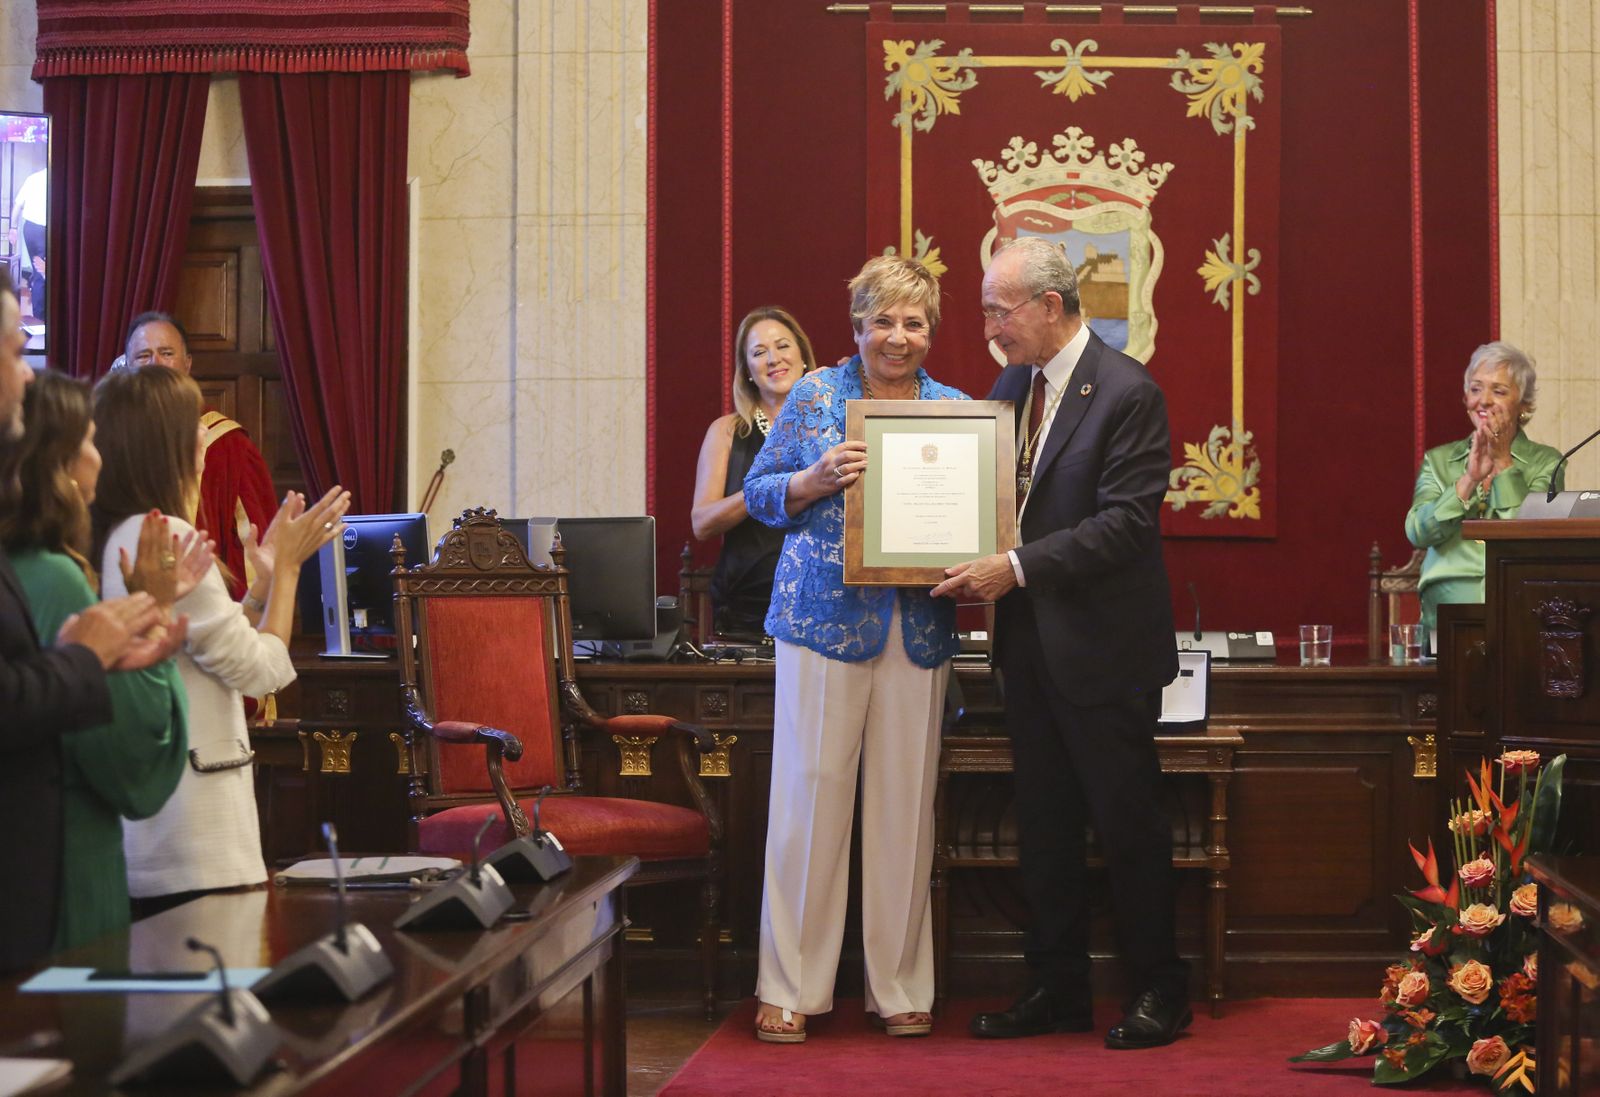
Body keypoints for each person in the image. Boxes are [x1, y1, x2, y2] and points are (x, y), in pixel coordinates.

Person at [933, 236, 1186, 1049]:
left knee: (1126, 826)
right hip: (1028, 649)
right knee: (1042, 827)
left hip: (1104, 653)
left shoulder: (1128, 392)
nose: (988, 329)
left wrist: (1012, 565)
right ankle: (1057, 988)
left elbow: (1124, 526)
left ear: (1049, 305)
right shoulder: (1012, 384)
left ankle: (1160, 990)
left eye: (997, 311)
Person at [744, 255, 967, 1043]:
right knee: (809, 803)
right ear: (856, 327)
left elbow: (981, 524)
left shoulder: (956, 411)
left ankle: (900, 985)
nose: (898, 337)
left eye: (914, 323)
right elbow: (763, 495)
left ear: (932, 331)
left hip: (919, 625)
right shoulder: (814, 395)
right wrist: (810, 478)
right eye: (884, 322)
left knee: (906, 810)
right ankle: (790, 987)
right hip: (819, 621)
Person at [91, 364, 349, 914]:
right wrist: (288, 571)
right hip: (190, 829)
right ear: (165, 444)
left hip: (161, 823)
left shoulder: (123, 528)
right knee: (210, 995)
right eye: (194, 424)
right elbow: (262, 670)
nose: (206, 437)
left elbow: (206, 645)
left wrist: (256, 595)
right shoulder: (165, 534)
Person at [0, 269, 185, 970]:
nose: (101, 457)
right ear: (57, 458)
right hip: (55, 875)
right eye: (16, 350)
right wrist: (100, 651)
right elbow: (129, 768)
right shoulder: (49, 572)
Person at [1406, 341, 1562, 634]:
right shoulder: (1438, 460)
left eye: (1499, 391)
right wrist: (1467, 481)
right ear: (1465, 398)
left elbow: (1532, 538)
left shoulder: (1547, 462)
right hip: (1445, 617)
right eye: (1476, 389)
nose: (1484, 400)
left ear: (1524, 406)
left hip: (1520, 610)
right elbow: (1418, 533)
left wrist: (1503, 462)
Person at [124, 312, 279, 602]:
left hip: (204, 611)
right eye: (143, 356)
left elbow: (251, 551)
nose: (155, 364)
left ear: (187, 364)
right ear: (128, 367)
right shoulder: (110, 443)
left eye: (166, 353)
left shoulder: (228, 446)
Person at [691, 307, 816, 639]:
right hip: (747, 611)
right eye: (759, 352)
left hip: (822, 605)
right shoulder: (728, 431)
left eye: (783, 346)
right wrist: (768, 488)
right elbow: (702, 523)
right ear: (747, 370)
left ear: (803, 355)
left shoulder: (834, 422)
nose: (773, 358)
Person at [9, 168, 46, 322]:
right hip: (43, 229)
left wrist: (12, 228)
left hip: (29, 229)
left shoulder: (32, 178)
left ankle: (39, 314)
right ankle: (40, 318)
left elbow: (17, 205)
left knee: (39, 271)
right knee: (42, 274)